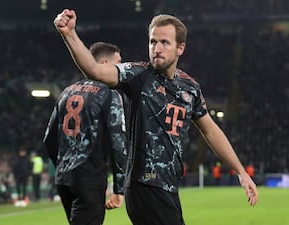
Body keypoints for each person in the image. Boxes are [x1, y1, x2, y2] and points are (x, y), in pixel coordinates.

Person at [53, 9, 258, 225]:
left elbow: (210, 129)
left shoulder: (190, 88)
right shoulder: (137, 75)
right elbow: (95, 70)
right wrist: (69, 34)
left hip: (168, 186)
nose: (156, 48)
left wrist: (240, 171)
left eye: (164, 42)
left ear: (181, 48)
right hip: (145, 185)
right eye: (152, 42)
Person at [43, 42, 127, 225]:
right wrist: (119, 189)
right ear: (104, 63)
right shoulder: (109, 94)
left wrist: (62, 166)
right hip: (89, 177)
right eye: (118, 63)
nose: (121, 68)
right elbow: (118, 141)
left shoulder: (67, 91)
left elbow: (49, 139)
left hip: (64, 179)